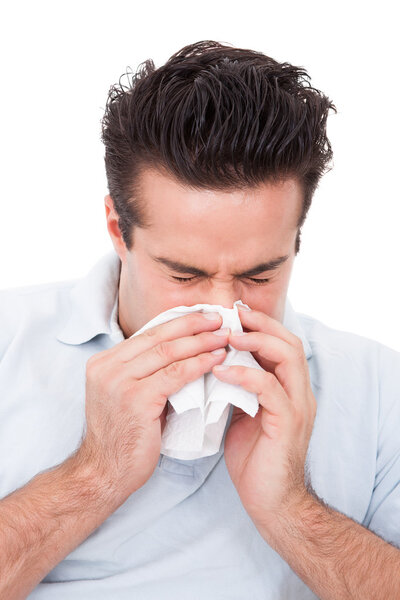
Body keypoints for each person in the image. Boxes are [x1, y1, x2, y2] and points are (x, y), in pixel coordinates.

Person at [0, 39, 399, 600]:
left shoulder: (379, 387)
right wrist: (95, 474)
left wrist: (291, 509)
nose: (222, 309)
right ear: (119, 229)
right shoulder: (8, 340)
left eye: (260, 276)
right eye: (184, 276)